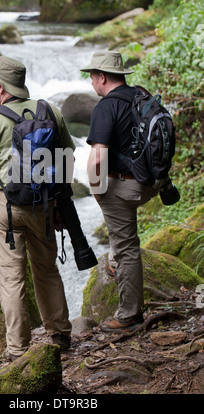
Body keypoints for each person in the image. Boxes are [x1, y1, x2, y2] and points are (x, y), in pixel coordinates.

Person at [0, 55, 74, 359]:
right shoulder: (51, 111)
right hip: (43, 203)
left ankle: (18, 350)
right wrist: (57, 201)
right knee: (46, 269)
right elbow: (68, 159)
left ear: (0, 87)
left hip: (7, 208)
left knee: (11, 278)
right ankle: (60, 335)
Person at [82, 51, 159, 331]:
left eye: (91, 76)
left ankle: (129, 316)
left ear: (102, 77)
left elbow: (98, 157)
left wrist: (96, 190)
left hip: (124, 185)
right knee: (122, 234)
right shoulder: (141, 97)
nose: (91, 82)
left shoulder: (105, 107)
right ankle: (114, 261)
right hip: (150, 183)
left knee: (127, 248)